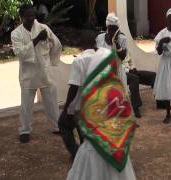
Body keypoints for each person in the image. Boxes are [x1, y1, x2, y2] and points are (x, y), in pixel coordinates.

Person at [66, 48, 137, 180]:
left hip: (92, 150)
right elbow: (128, 119)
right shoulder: (118, 88)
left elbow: (80, 119)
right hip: (116, 148)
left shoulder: (89, 93)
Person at [11, 4, 62, 143]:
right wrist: (37, 39)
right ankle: (25, 130)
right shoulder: (16, 33)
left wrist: (50, 61)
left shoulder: (44, 28)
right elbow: (20, 53)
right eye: (27, 16)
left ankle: (58, 126)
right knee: (26, 105)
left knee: (52, 101)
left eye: (33, 15)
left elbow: (56, 45)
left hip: (45, 72)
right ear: (21, 17)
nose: (31, 18)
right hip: (28, 75)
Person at [58, 30, 99, 159]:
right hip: (98, 103)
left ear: (81, 44)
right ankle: (84, 154)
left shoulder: (79, 61)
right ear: (95, 43)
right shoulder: (102, 58)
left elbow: (74, 87)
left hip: (82, 105)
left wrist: (66, 108)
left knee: (63, 123)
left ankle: (77, 154)